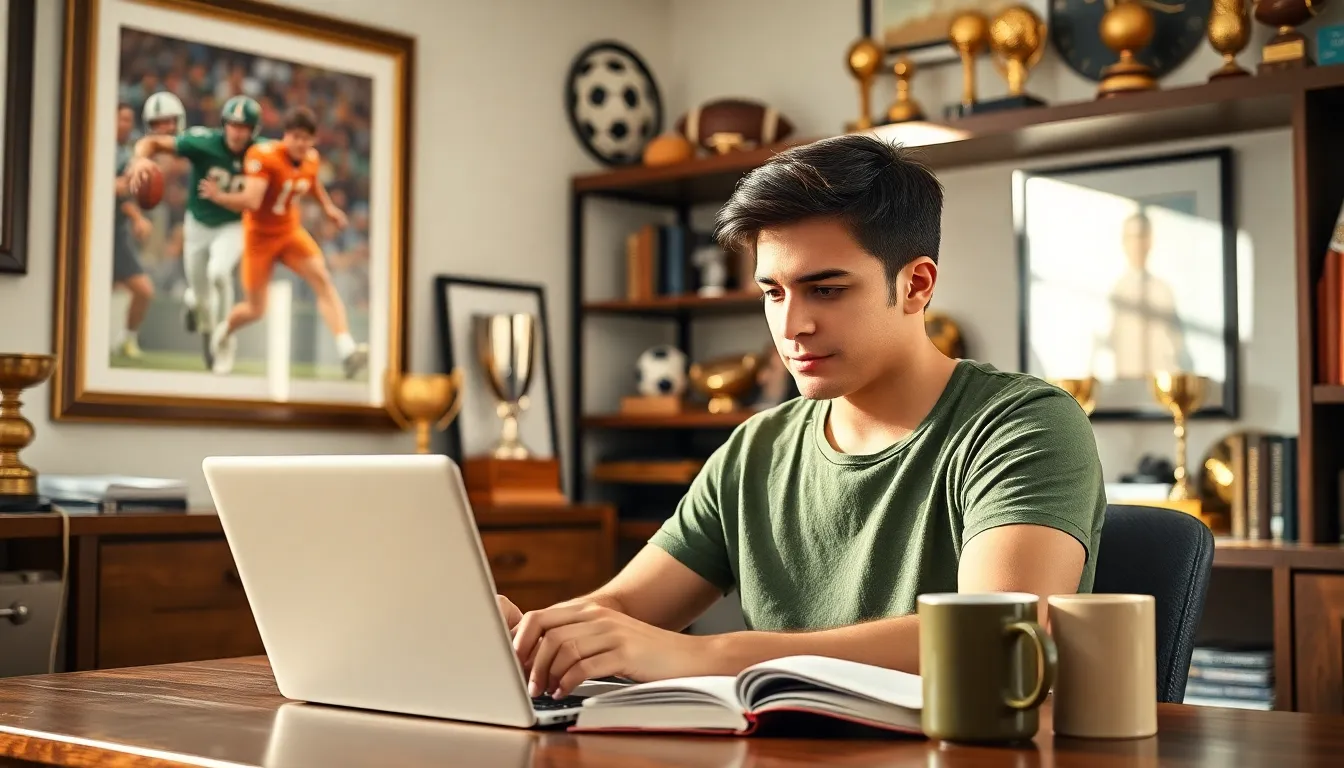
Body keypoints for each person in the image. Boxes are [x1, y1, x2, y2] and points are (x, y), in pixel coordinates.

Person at [501, 134, 1106, 700]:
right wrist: (532, 639)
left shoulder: (1024, 425)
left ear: (916, 285)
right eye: (773, 293)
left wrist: (703, 655)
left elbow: (996, 643)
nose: (790, 328)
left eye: (827, 289)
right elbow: (623, 612)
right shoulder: (755, 449)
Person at [197, 105, 367, 378]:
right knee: (255, 309)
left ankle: (346, 349)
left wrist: (328, 209)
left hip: (289, 232)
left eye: (306, 137)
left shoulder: (311, 158)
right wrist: (219, 197)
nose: (300, 143)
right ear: (285, 136)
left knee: (322, 279)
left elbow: (311, 183)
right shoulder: (264, 156)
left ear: (314, 139)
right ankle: (225, 329)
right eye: (295, 136)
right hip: (259, 238)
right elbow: (252, 200)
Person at [126, 94, 261, 369]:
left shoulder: (262, 151)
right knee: (201, 297)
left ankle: (223, 341)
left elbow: (292, 156)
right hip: (198, 224)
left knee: (220, 274)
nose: (237, 132)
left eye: (244, 126)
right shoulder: (204, 142)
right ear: (224, 125)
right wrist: (140, 159)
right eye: (232, 125)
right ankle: (195, 304)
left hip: (232, 224)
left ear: (253, 130)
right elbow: (150, 142)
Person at [1096, 210, 1192, 380]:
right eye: (1131, 237)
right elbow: (1105, 344)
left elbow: (1178, 345)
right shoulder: (1115, 291)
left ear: (1150, 241)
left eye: (1141, 236)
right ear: (1123, 242)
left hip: (1159, 387)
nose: (1137, 244)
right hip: (1124, 387)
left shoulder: (1164, 290)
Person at [111, 102, 158, 359]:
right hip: (90, 233)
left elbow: (124, 196)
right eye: (122, 119)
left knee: (144, 291)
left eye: (130, 120)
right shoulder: (95, 148)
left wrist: (137, 218)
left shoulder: (127, 155)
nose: (126, 125)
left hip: (116, 233)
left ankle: (126, 339)